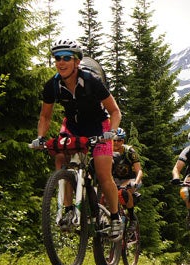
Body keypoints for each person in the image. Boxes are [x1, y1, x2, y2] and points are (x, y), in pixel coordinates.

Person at [31, 38, 123, 239]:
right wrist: (40, 137)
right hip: (73, 127)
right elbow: (45, 116)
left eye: (66, 58)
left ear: (76, 62)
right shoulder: (53, 86)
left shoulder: (92, 82)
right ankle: (69, 208)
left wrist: (112, 132)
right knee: (60, 157)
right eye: (57, 58)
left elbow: (115, 111)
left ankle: (115, 218)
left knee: (103, 172)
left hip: (99, 127)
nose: (61, 62)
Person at [112, 128, 143, 227]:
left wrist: (136, 182)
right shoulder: (108, 151)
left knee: (124, 191)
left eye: (119, 140)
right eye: (114, 140)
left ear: (123, 141)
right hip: (115, 179)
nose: (116, 142)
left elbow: (139, 170)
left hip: (131, 179)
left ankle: (132, 217)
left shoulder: (129, 151)